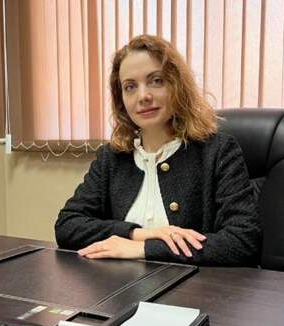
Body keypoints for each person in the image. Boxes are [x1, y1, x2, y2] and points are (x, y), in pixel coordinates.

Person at [54, 35, 261, 266]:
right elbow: (67, 225)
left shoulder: (218, 151)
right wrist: (138, 234)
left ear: (177, 86)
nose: (143, 96)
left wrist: (144, 249)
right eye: (130, 87)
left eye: (156, 81)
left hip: (192, 286)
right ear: (121, 99)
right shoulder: (111, 158)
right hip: (118, 285)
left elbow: (242, 240)